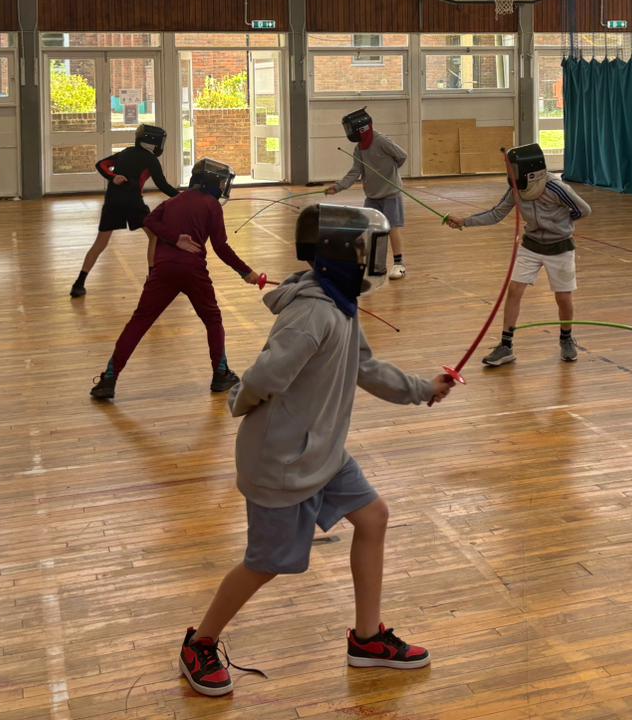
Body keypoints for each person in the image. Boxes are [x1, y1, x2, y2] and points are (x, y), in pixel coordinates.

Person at [177, 203, 453, 698]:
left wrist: (422, 389)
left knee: (373, 517)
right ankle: (200, 643)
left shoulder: (340, 304)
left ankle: (366, 639)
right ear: (339, 254)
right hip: (282, 462)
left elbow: (366, 368)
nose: (370, 258)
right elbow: (265, 375)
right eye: (364, 249)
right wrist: (240, 401)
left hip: (322, 452)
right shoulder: (313, 313)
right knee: (266, 563)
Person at [90, 158, 260, 401]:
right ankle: (220, 374)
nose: (223, 187)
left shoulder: (172, 201)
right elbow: (221, 247)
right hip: (193, 271)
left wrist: (173, 238)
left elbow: (149, 221)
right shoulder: (212, 205)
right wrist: (246, 272)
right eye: (222, 182)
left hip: (163, 270)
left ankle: (109, 379)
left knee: (140, 321)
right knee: (213, 320)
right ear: (211, 182)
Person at [445, 143, 590, 367]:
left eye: (512, 169)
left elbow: (583, 210)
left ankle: (566, 338)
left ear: (528, 169)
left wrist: (561, 223)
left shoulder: (556, 187)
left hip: (560, 248)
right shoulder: (516, 188)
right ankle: (506, 346)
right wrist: (465, 221)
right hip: (531, 246)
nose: (509, 173)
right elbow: (496, 214)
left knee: (563, 297)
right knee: (514, 290)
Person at [71, 123, 179, 298]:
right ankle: (153, 280)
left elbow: (101, 164)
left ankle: (79, 283)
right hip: (133, 203)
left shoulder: (125, 152)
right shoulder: (151, 160)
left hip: (112, 201)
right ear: (152, 142)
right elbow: (163, 185)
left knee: (100, 243)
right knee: (155, 236)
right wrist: (183, 197)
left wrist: (112, 177)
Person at [324, 108, 410, 279]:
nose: (349, 132)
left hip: (390, 193)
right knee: (371, 230)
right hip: (372, 196)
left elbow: (402, 156)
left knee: (392, 227)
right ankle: (376, 265)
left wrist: (391, 172)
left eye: (350, 128)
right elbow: (355, 172)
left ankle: (399, 264)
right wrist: (338, 187)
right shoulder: (359, 148)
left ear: (362, 127)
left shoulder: (382, 141)